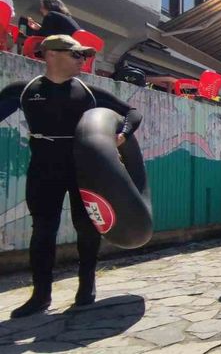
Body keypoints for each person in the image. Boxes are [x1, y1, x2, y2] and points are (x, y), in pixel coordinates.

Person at [0, 34, 143, 318]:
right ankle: (40, 296)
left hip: (83, 171)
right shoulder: (25, 90)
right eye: (76, 55)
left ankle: (86, 288)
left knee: (86, 228)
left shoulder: (87, 92)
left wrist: (122, 135)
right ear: (51, 54)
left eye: (84, 56)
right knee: (42, 231)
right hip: (44, 170)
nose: (83, 60)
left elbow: (132, 113)